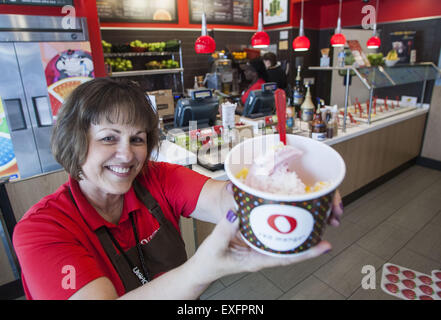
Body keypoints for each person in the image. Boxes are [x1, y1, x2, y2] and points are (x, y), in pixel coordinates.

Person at [12, 78, 343, 300]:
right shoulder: (40, 231)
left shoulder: (156, 178)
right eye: (109, 137)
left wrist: (291, 191)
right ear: (75, 140)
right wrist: (202, 270)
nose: (127, 154)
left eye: (137, 139)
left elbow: (224, 198)